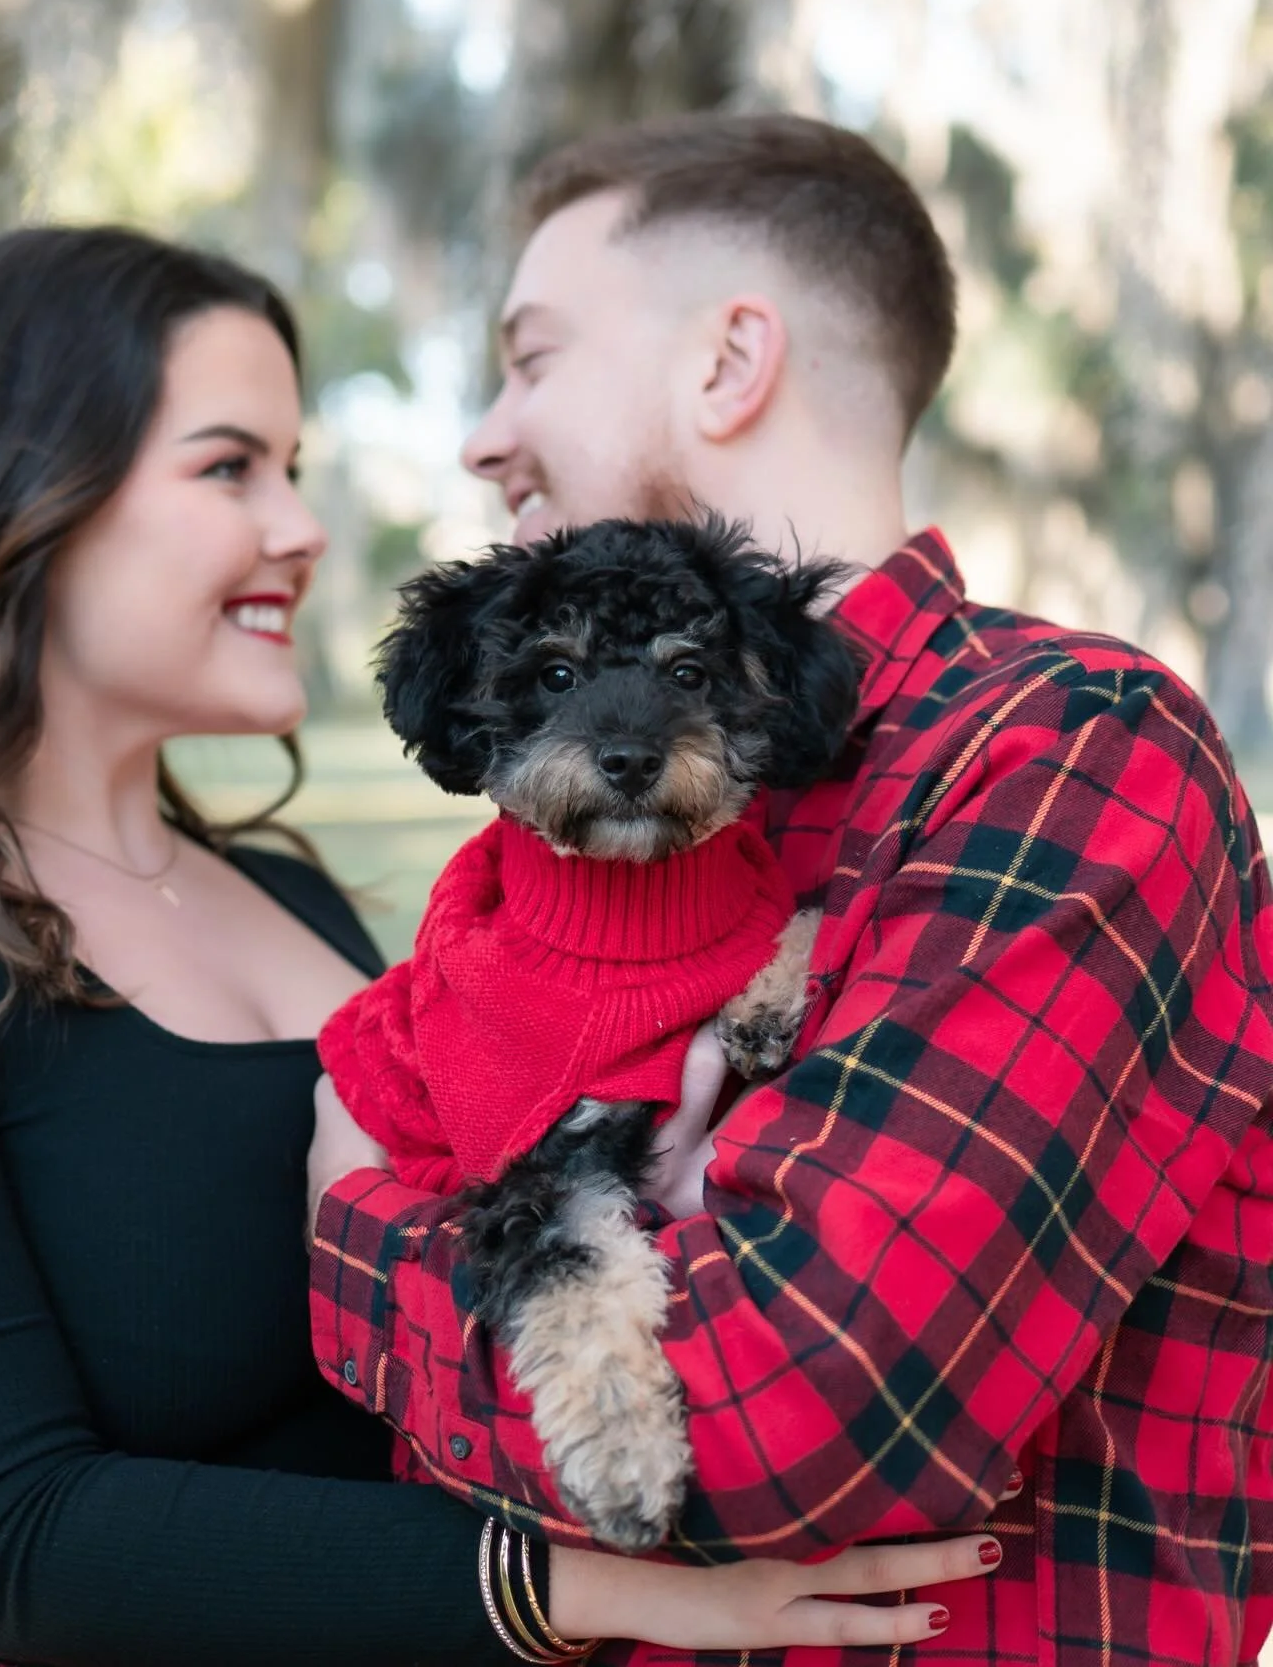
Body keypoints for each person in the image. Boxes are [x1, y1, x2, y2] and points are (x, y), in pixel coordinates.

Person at [0, 223, 1004, 1667]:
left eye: (297, 467)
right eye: (228, 466)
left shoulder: (294, 892)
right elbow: (7, 1543)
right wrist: (606, 1587)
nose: (304, 527)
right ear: (11, 496)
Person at [306, 114, 1273, 1665]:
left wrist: (351, 1226)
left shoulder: (1067, 753)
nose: (486, 434)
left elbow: (792, 1404)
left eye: (533, 358)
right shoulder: (586, 833)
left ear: (730, 360)